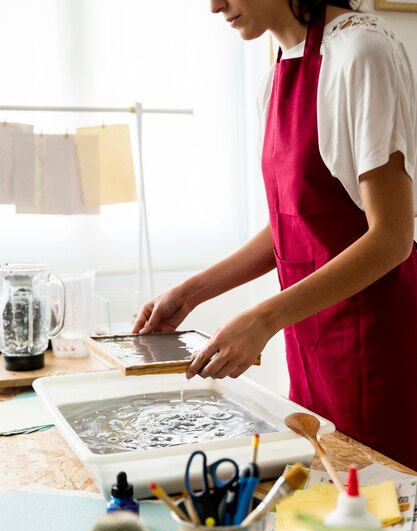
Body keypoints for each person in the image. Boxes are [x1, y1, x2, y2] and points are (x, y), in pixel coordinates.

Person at [133, 0, 417, 470]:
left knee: (380, 520)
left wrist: (264, 320)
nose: (213, 5)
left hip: (376, 351)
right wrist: (191, 294)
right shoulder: (277, 72)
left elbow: (391, 236)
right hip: (312, 350)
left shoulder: (362, 53)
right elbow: (294, 222)